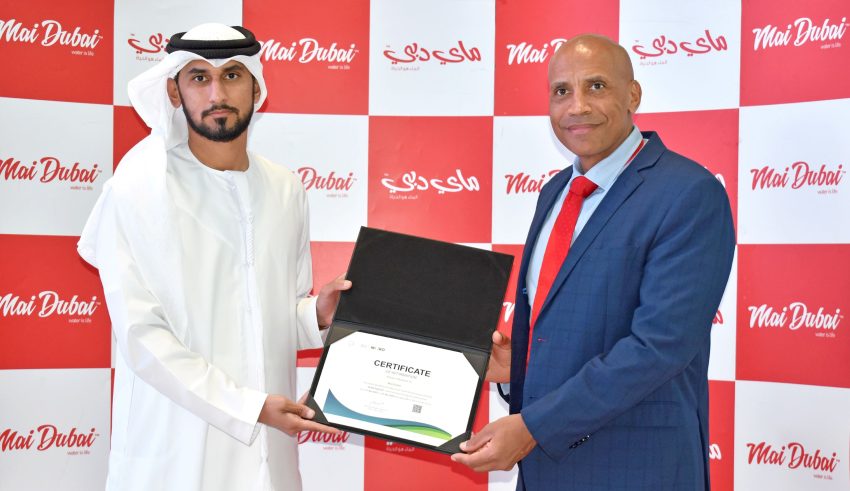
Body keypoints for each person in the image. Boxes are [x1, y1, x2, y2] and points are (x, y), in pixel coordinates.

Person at [452, 34, 735, 490]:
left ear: (633, 95)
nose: (577, 106)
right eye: (561, 90)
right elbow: (573, 325)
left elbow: (659, 347)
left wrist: (533, 428)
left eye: (596, 86)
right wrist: (519, 364)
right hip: (545, 472)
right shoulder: (554, 193)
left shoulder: (689, 193)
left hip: (637, 471)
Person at [77, 23, 349, 490]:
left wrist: (316, 316)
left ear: (256, 86)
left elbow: (268, 318)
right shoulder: (138, 188)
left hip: (268, 454)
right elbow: (142, 336)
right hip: (174, 451)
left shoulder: (285, 188)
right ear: (174, 91)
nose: (217, 93)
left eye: (233, 75)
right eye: (199, 77)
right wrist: (249, 407)